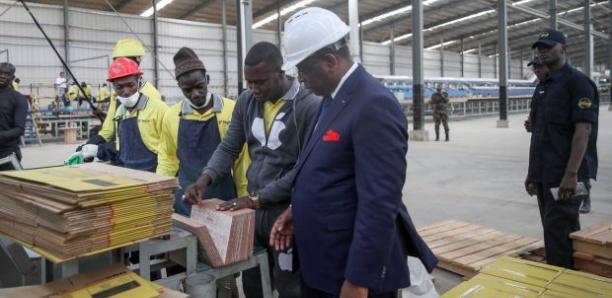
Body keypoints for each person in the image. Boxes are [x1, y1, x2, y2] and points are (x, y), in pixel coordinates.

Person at [270, 7, 437, 298]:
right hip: (324, 263)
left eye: (303, 71)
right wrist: (298, 210)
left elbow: (380, 203)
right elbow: (332, 173)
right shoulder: (333, 99)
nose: (301, 79)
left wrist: (359, 279)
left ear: (330, 61)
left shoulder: (373, 105)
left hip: (348, 273)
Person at [183, 41, 320, 298]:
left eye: (261, 82)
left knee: (290, 284)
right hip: (253, 211)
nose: (254, 89)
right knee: (254, 281)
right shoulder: (247, 101)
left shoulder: (307, 106)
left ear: (281, 72)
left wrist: (257, 199)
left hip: (288, 212)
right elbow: (229, 147)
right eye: (249, 83)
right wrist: (205, 178)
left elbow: (304, 170)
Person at [157, 46, 250, 298]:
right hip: (186, 204)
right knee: (188, 265)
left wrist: (245, 199)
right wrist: (163, 195)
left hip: (223, 203)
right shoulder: (171, 116)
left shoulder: (231, 110)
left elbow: (241, 161)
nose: (195, 94)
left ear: (207, 79)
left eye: (199, 86)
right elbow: (166, 157)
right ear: (180, 89)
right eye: (188, 90)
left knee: (225, 265)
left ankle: (226, 291)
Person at [525, 29, 598, 269]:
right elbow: (539, 134)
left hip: (564, 175)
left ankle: (560, 284)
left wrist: (572, 174)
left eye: (548, 46)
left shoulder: (577, 83)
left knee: (559, 233)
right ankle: (567, 280)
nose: (543, 51)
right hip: (544, 173)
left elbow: (583, 132)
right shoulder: (544, 86)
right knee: (555, 231)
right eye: (540, 47)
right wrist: (532, 173)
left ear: (563, 49)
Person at [77, 57, 168, 172]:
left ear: (139, 82)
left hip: (154, 175)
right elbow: (121, 150)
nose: (125, 92)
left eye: (131, 85)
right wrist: (95, 149)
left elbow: (171, 151)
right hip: (129, 175)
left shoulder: (159, 109)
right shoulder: (120, 111)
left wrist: (162, 179)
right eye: (119, 87)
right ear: (114, 87)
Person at [0, 63, 28, 171]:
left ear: (12, 78)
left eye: (6, 74)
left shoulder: (18, 99)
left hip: (7, 155)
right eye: (0, 72)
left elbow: (19, 129)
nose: (2, 76)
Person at [524, 56, 548, 133]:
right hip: (538, 137)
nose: (537, 70)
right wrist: (530, 121)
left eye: (540, 67)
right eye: (535, 67)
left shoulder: (557, 86)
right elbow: (534, 107)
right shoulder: (539, 86)